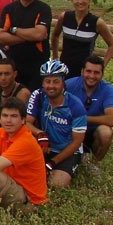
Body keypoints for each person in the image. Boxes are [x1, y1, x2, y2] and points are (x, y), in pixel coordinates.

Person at [26, 59, 87, 188]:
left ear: (63, 83)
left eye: (56, 81)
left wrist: (53, 162)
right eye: (47, 81)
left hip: (67, 151)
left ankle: (76, 165)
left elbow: (77, 142)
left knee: (56, 185)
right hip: (43, 147)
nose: (51, 86)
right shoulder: (38, 95)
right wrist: (40, 134)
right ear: (42, 83)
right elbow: (26, 123)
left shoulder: (75, 105)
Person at [0, 0, 52, 92]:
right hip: (15, 67)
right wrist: (30, 36)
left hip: (38, 66)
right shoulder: (9, 9)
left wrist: (13, 30)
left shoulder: (44, 9)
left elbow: (40, 34)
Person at [51, 0, 113, 78]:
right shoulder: (65, 17)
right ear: (72, 0)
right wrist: (55, 58)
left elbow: (112, 44)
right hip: (63, 70)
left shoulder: (97, 22)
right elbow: (55, 36)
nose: (80, 2)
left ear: (89, 0)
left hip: (84, 74)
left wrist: (101, 67)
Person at [65, 55, 113, 165]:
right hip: (70, 130)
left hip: (92, 131)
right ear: (82, 72)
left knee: (106, 133)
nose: (91, 76)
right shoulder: (69, 85)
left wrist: (82, 118)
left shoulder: (108, 89)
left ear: (102, 74)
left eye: (96, 72)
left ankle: (94, 164)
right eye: (88, 71)